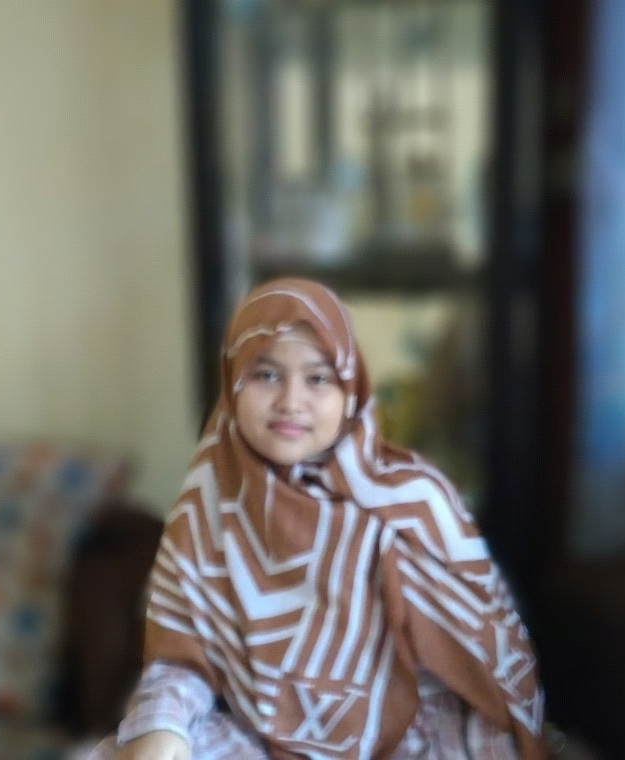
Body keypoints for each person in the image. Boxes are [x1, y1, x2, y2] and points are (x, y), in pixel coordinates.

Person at [90, 277, 549, 760]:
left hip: (412, 733)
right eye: (266, 375)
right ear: (233, 382)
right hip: (266, 738)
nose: (291, 400)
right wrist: (163, 729)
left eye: (318, 379)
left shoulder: (413, 499)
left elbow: (487, 658)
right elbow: (182, 660)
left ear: (351, 390)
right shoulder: (208, 502)